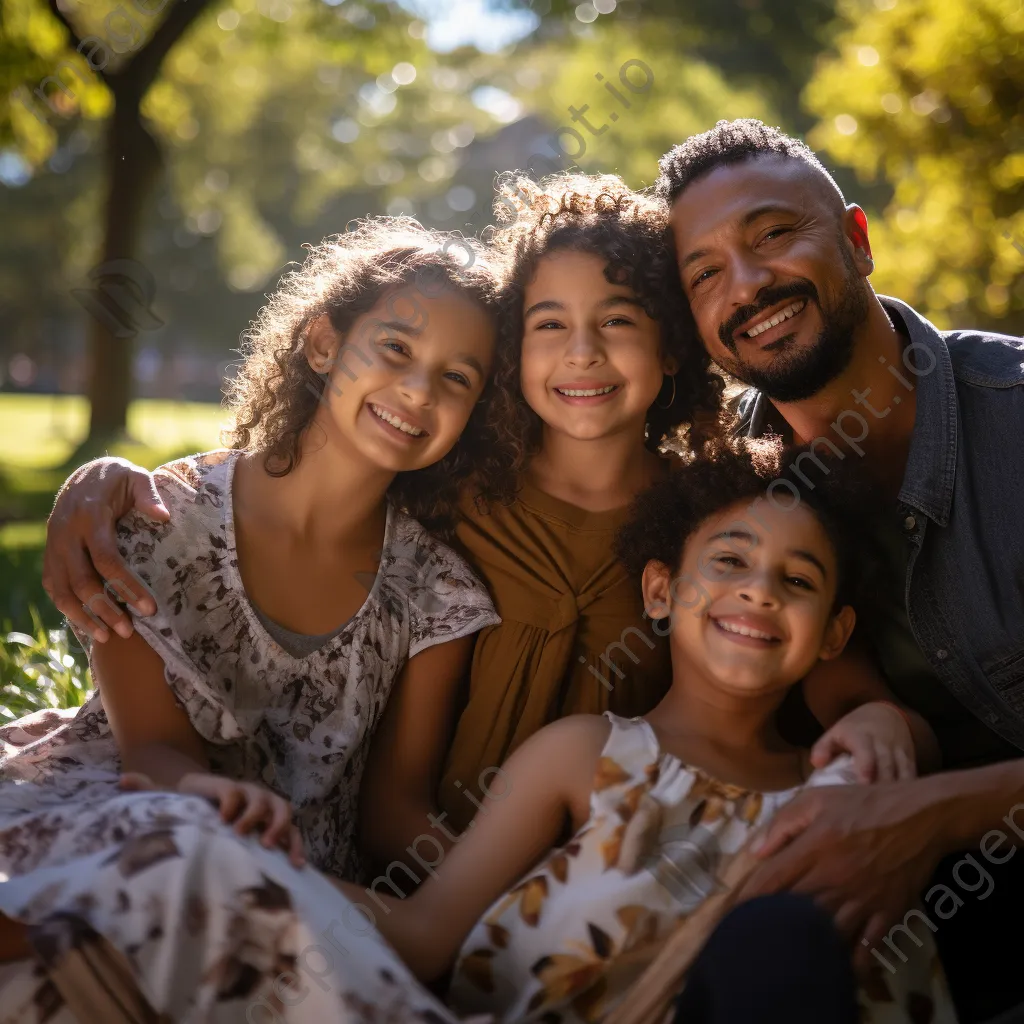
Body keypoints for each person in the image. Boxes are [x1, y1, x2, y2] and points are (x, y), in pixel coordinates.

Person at [40, 174, 936, 859]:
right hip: (430, 869)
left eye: (618, 321)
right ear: (514, 355)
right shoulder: (445, 496)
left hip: (619, 880)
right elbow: (302, 474)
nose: (582, 353)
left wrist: (872, 719)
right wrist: (105, 479)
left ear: (671, 345)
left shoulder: (717, 507)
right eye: (549, 325)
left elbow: (820, 659)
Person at [0, 219, 501, 1020]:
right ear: (322, 345)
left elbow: (394, 809)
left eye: (458, 379)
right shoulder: (158, 522)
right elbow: (150, 754)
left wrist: (513, 877)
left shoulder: (439, 594)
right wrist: (205, 796)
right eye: (397, 350)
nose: (417, 392)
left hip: (290, 871)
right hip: (134, 817)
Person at [329, 439, 953, 1024]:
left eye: (797, 581)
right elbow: (426, 934)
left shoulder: (846, 796)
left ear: (834, 635)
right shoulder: (580, 755)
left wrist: (887, 722)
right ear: (660, 591)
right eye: (730, 560)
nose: (759, 591)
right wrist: (241, 853)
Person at [656, 118, 1024, 1022]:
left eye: (774, 234)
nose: (747, 286)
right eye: (704, 273)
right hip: (906, 918)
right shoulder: (722, 495)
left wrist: (934, 816)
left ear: (857, 242)